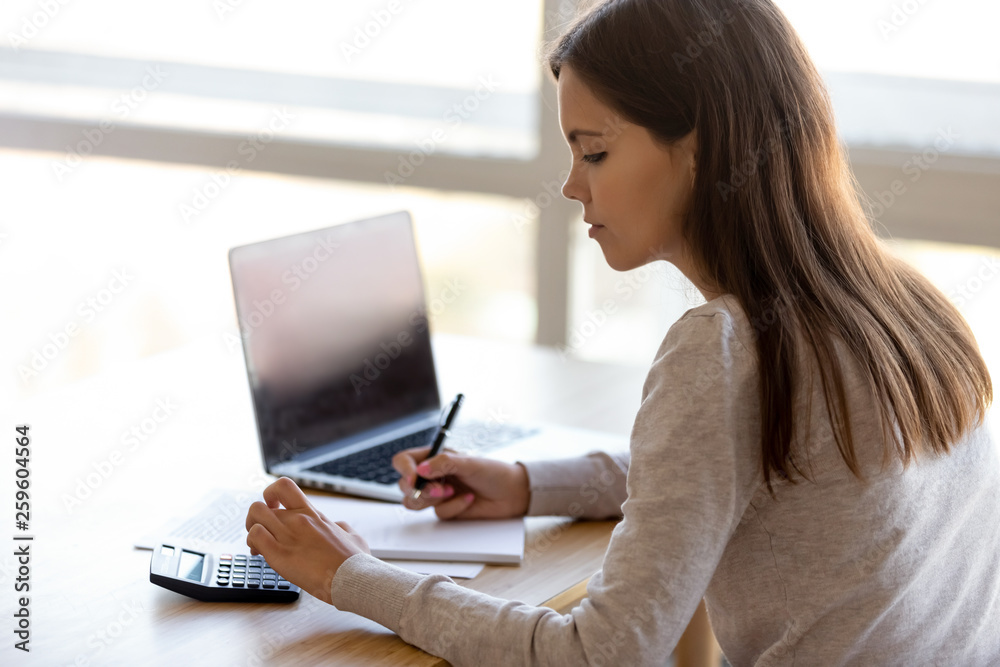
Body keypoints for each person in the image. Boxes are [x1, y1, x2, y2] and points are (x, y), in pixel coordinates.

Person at [244, 0, 1000, 664]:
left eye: (595, 150)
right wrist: (529, 484)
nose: (572, 184)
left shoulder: (724, 348)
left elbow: (602, 651)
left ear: (702, 148)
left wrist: (353, 575)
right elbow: (740, 465)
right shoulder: (905, 302)